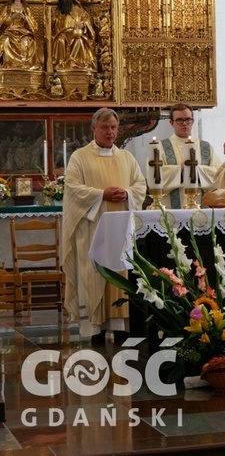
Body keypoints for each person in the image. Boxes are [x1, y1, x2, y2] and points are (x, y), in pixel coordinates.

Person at [62, 108, 147, 345]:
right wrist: (102, 195)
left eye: (113, 127)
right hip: (92, 229)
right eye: (105, 127)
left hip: (120, 229)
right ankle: (95, 328)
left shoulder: (127, 158)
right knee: (93, 274)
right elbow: (73, 188)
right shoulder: (80, 157)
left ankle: (121, 327)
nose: (110, 132)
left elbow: (140, 185)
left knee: (120, 272)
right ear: (94, 129)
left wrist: (127, 193)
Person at [154, 103, 225, 208]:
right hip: (172, 211)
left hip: (202, 210)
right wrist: (180, 169)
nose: (184, 123)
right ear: (171, 123)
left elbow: (218, 176)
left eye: (188, 119)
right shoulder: (160, 147)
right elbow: (154, 177)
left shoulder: (206, 147)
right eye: (179, 120)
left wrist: (196, 170)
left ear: (193, 121)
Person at [51, 0, 97, 71]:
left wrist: (83, 24)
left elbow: (87, 19)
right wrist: (56, 21)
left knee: (79, 41)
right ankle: (61, 64)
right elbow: (53, 23)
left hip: (75, 33)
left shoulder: (78, 8)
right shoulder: (58, 10)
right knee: (60, 40)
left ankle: (74, 62)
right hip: (63, 33)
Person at [0, 0, 41, 70]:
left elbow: (33, 23)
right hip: (10, 30)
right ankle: (8, 64)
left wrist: (25, 18)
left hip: (23, 32)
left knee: (26, 42)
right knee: (4, 40)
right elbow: (1, 20)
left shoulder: (25, 8)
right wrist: (11, 17)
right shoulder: (8, 7)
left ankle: (23, 65)